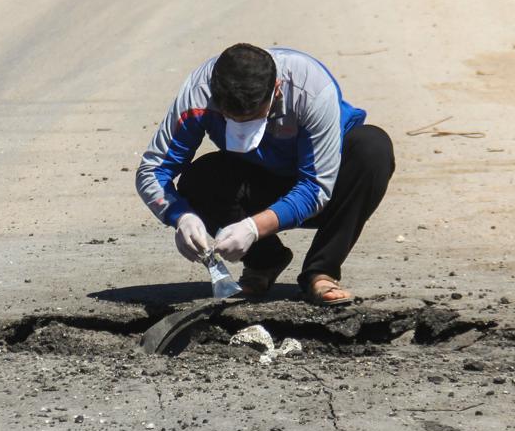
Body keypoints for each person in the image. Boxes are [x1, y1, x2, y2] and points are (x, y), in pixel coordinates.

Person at [135, 44, 394, 306]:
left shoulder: (312, 89)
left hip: (324, 186)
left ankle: (321, 271)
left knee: (372, 148)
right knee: (200, 178)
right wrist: (181, 216)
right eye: (233, 119)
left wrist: (253, 228)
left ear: (277, 88)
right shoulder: (198, 93)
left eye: (254, 117)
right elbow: (152, 170)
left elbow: (315, 187)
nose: (243, 127)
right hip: (257, 179)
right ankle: (264, 263)